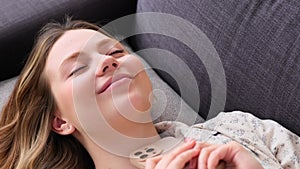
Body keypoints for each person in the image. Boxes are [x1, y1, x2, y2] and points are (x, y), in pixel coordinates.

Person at [0, 17, 299, 169]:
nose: (108, 61)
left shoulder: (243, 130)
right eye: (78, 68)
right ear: (60, 121)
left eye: (115, 51)